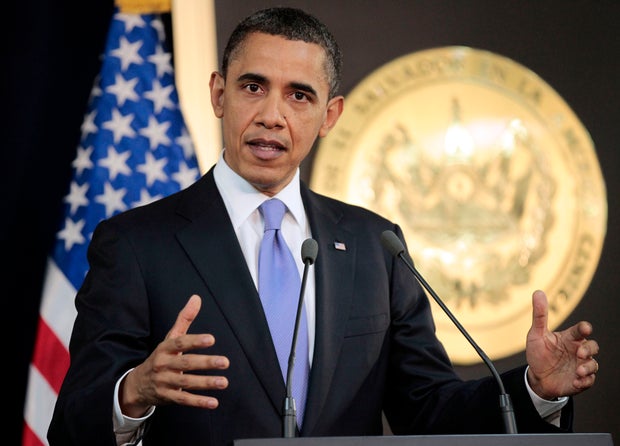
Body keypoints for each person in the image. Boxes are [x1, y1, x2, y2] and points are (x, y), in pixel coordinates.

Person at [47, 6, 599, 446]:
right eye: (253, 86)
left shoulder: (374, 246)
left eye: (299, 95)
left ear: (329, 115)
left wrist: (535, 392)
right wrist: (134, 392)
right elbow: (71, 425)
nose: (272, 115)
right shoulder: (137, 244)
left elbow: (429, 410)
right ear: (219, 94)